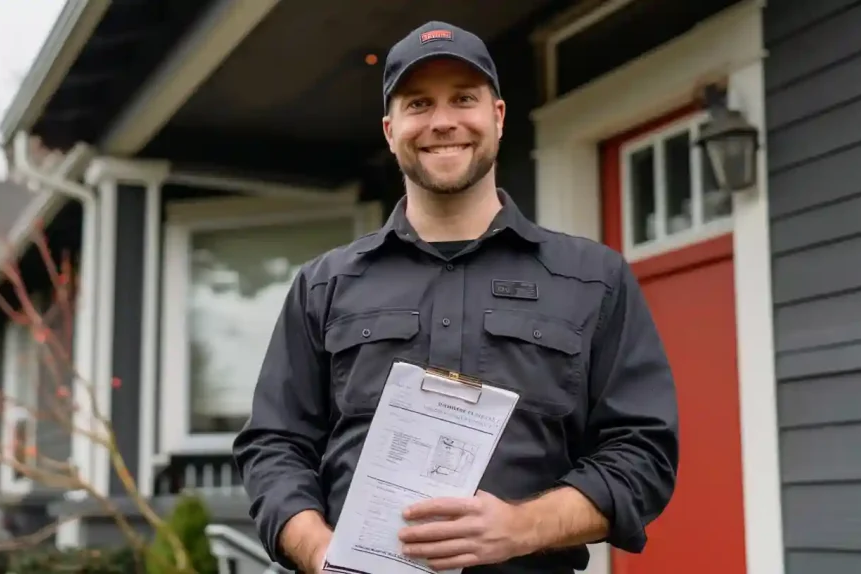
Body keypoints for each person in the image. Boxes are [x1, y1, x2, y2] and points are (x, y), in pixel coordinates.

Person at [233, 20, 679, 574]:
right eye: (418, 104)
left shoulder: (593, 279)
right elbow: (274, 447)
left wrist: (521, 528)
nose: (442, 122)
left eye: (463, 98)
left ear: (497, 115)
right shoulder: (324, 285)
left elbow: (643, 456)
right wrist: (320, 553)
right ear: (390, 128)